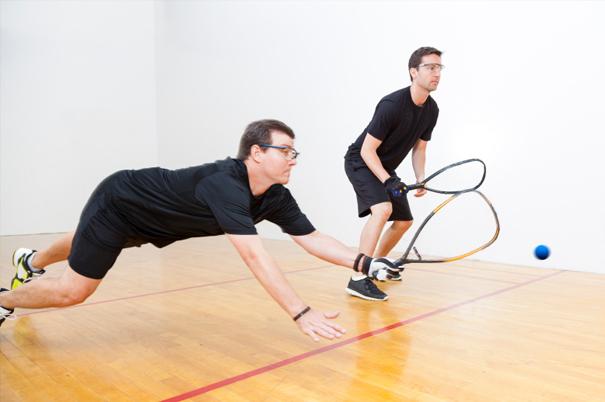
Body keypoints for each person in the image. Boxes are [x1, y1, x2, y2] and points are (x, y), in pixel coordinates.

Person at [0, 119, 398, 340]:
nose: (293, 159)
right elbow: (254, 256)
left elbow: (311, 239)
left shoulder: (274, 195)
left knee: (85, 239)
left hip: (153, 223)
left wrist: (366, 263)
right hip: (121, 202)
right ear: (256, 153)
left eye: (295, 153)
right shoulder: (226, 183)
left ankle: (29, 259)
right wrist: (300, 311)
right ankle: (5, 300)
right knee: (74, 291)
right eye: (286, 151)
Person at [343, 46, 443, 301]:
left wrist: (421, 178)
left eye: (439, 67)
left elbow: (419, 149)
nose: (436, 73)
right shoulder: (392, 104)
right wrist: (388, 180)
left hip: (385, 168)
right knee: (383, 209)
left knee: (404, 222)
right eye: (430, 67)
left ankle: (375, 265)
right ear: (413, 72)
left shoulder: (432, 110)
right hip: (361, 162)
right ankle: (358, 278)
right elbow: (367, 150)